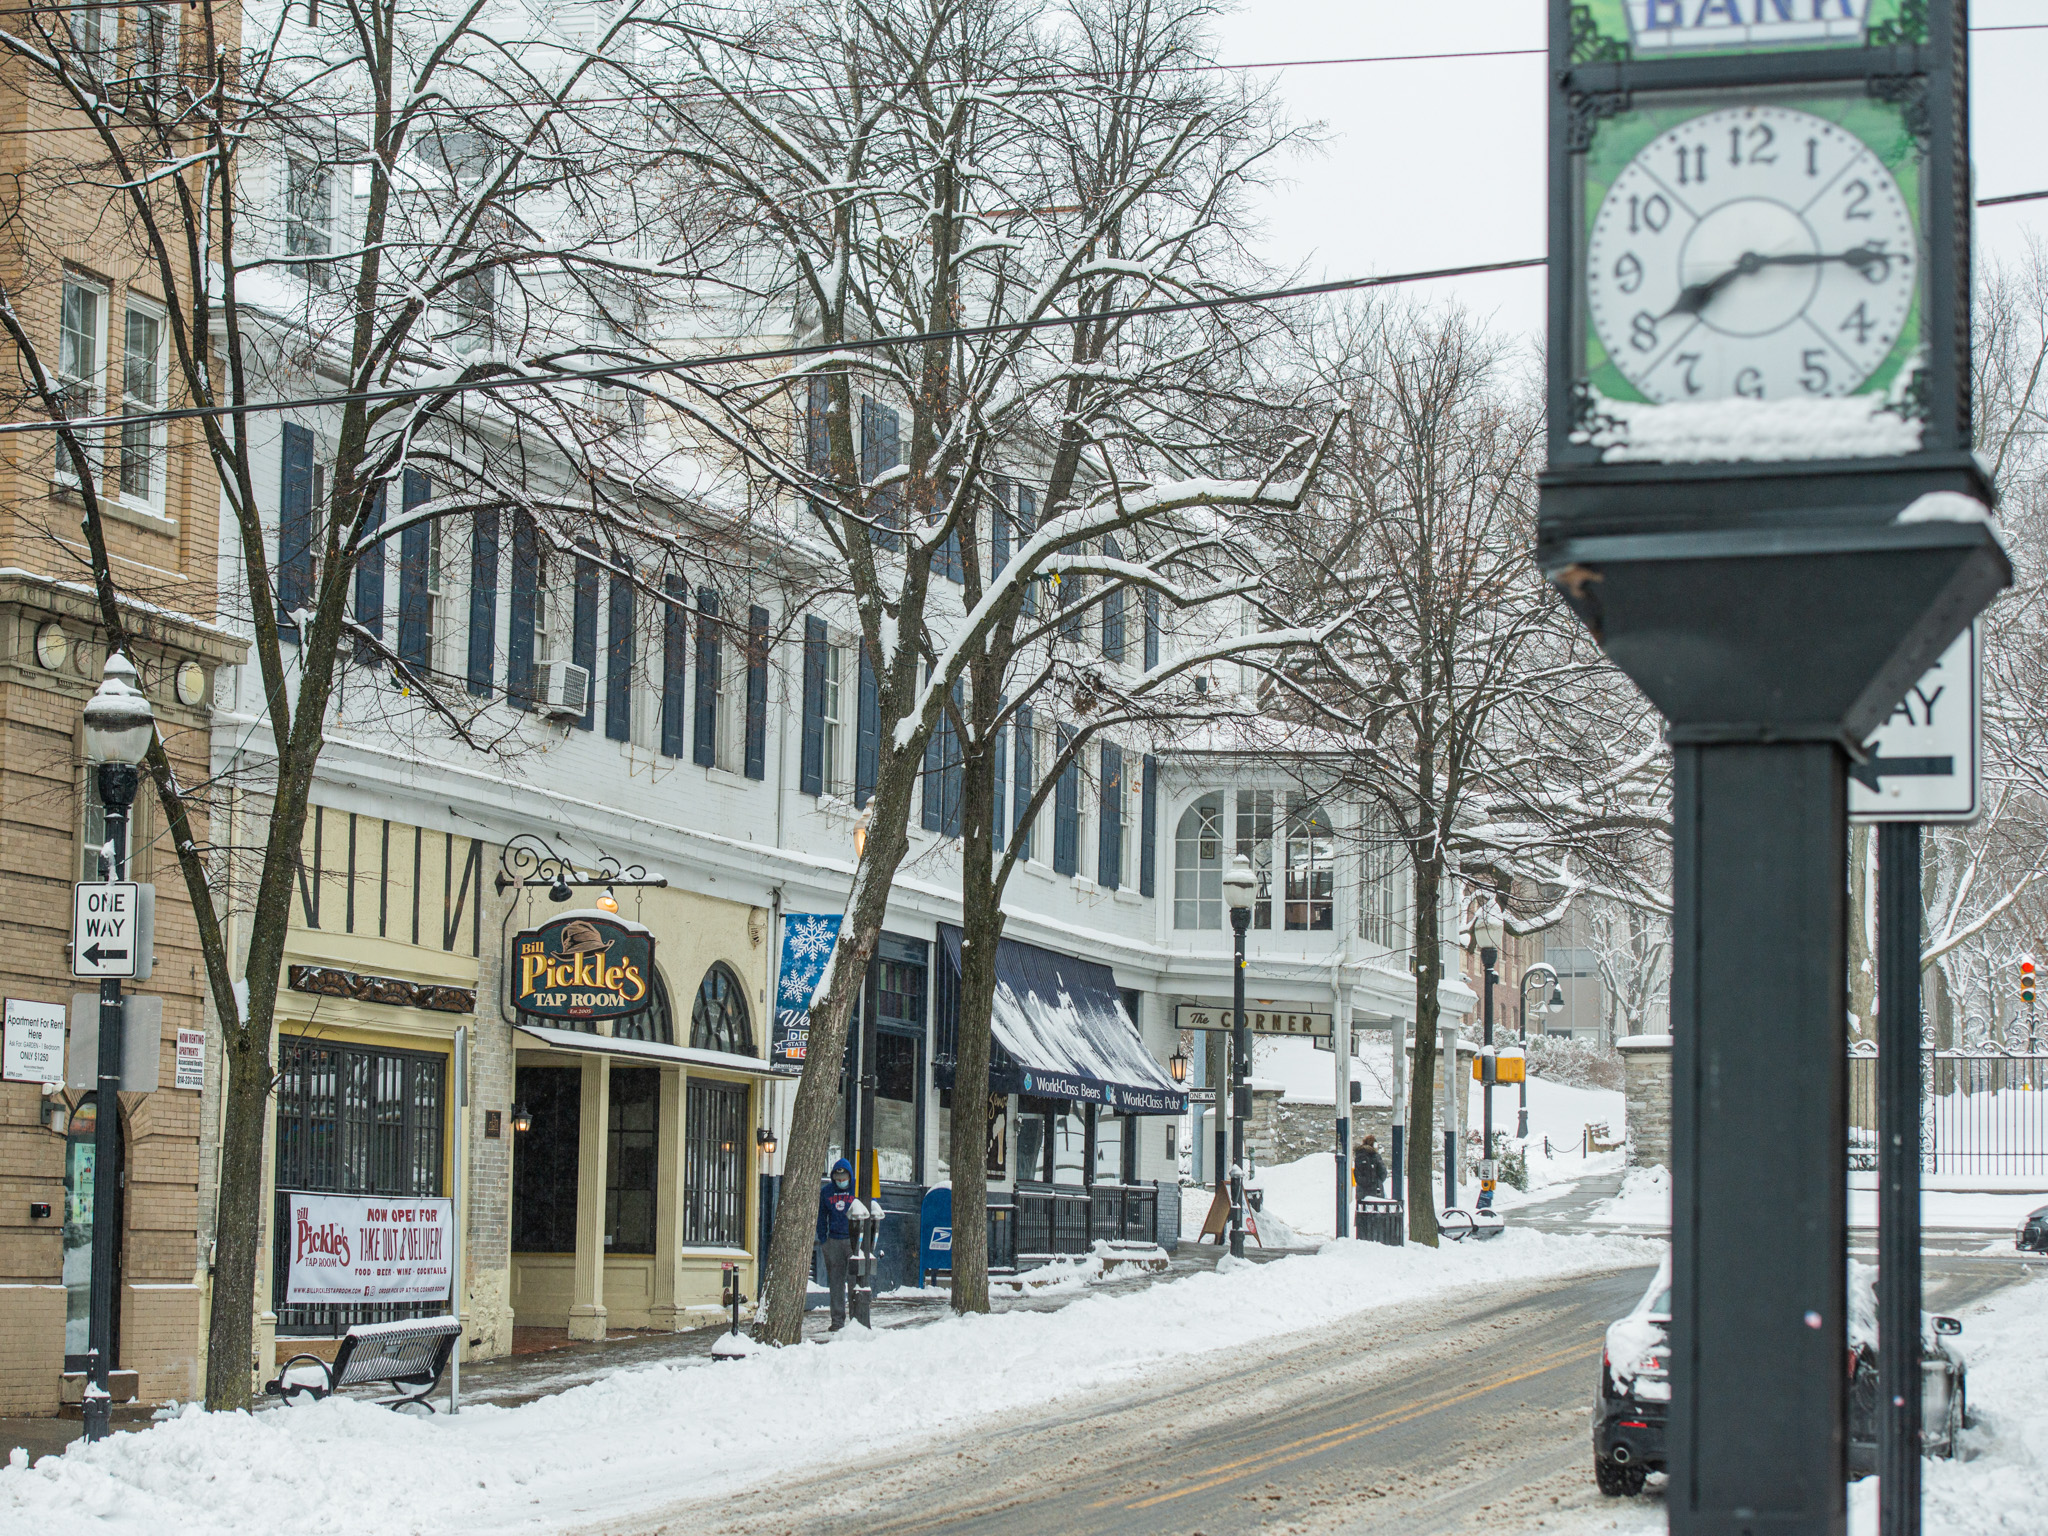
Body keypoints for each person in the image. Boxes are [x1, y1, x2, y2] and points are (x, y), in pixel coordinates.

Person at [816, 1156, 858, 1330]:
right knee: (836, 1283)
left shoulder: (857, 1188)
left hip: (853, 1240)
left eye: (844, 1179)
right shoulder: (826, 1192)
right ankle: (837, 1321)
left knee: (855, 1281)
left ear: (850, 1176)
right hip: (834, 1240)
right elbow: (821, 1217)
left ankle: (857, 1319)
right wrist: (824, 1240)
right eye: (837, 1179)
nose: (841, 1182)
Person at [1354, 1134, 1387, 1199]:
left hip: (1361, 1191)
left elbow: (1357, 1174)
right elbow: (1383, 1172)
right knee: (1376, 1208)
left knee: (1362, 1208)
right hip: (1375, 1190)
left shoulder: (1358, 1156)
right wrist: (1377, 1181)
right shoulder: (1375, 1156)